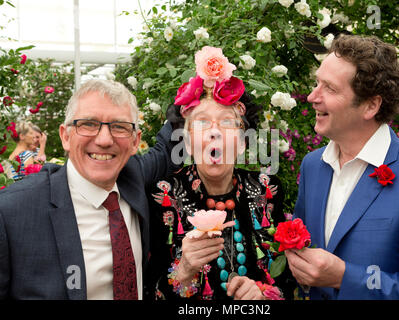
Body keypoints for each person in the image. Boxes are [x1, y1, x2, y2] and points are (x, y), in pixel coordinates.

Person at [288, 34, 399, 299]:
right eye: (316, 83)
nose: (311, 97)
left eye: (329, 88)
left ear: (371, 105)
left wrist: (345, 278)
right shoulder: (313, 166)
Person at [0, 79, 179, 299]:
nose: (104, 140)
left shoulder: (133, 176)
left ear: (135, 142)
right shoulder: (11, 213)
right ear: (65, 136)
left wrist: (200, 91)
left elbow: (166, 151)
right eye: (88, 124)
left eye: (119, 127)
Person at [147, 46, 296, 301]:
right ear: (189, 142)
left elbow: (287, 280)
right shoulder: (164, 195)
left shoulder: (266, 189)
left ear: (242, 142)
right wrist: (184, 271)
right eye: (202, 123)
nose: (214, 132)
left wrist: (263, 297)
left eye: (227, 123)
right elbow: (150, 291)